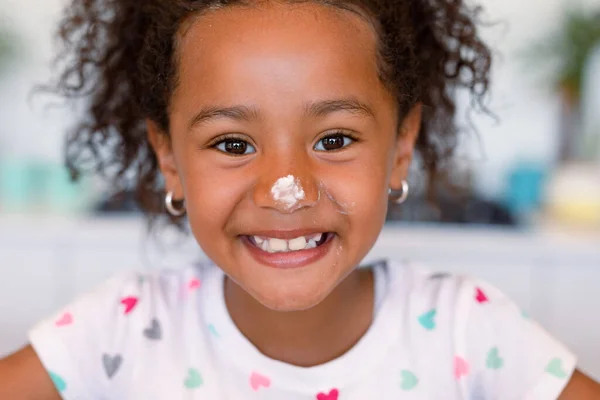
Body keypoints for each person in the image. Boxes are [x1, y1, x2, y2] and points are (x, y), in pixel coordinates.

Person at [1, 0, 599, 398]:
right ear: (169, 160)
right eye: (233, 143)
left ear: (399, 149)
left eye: (334, 139)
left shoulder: (471, 333)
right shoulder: (115, 332)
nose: (284, 190)